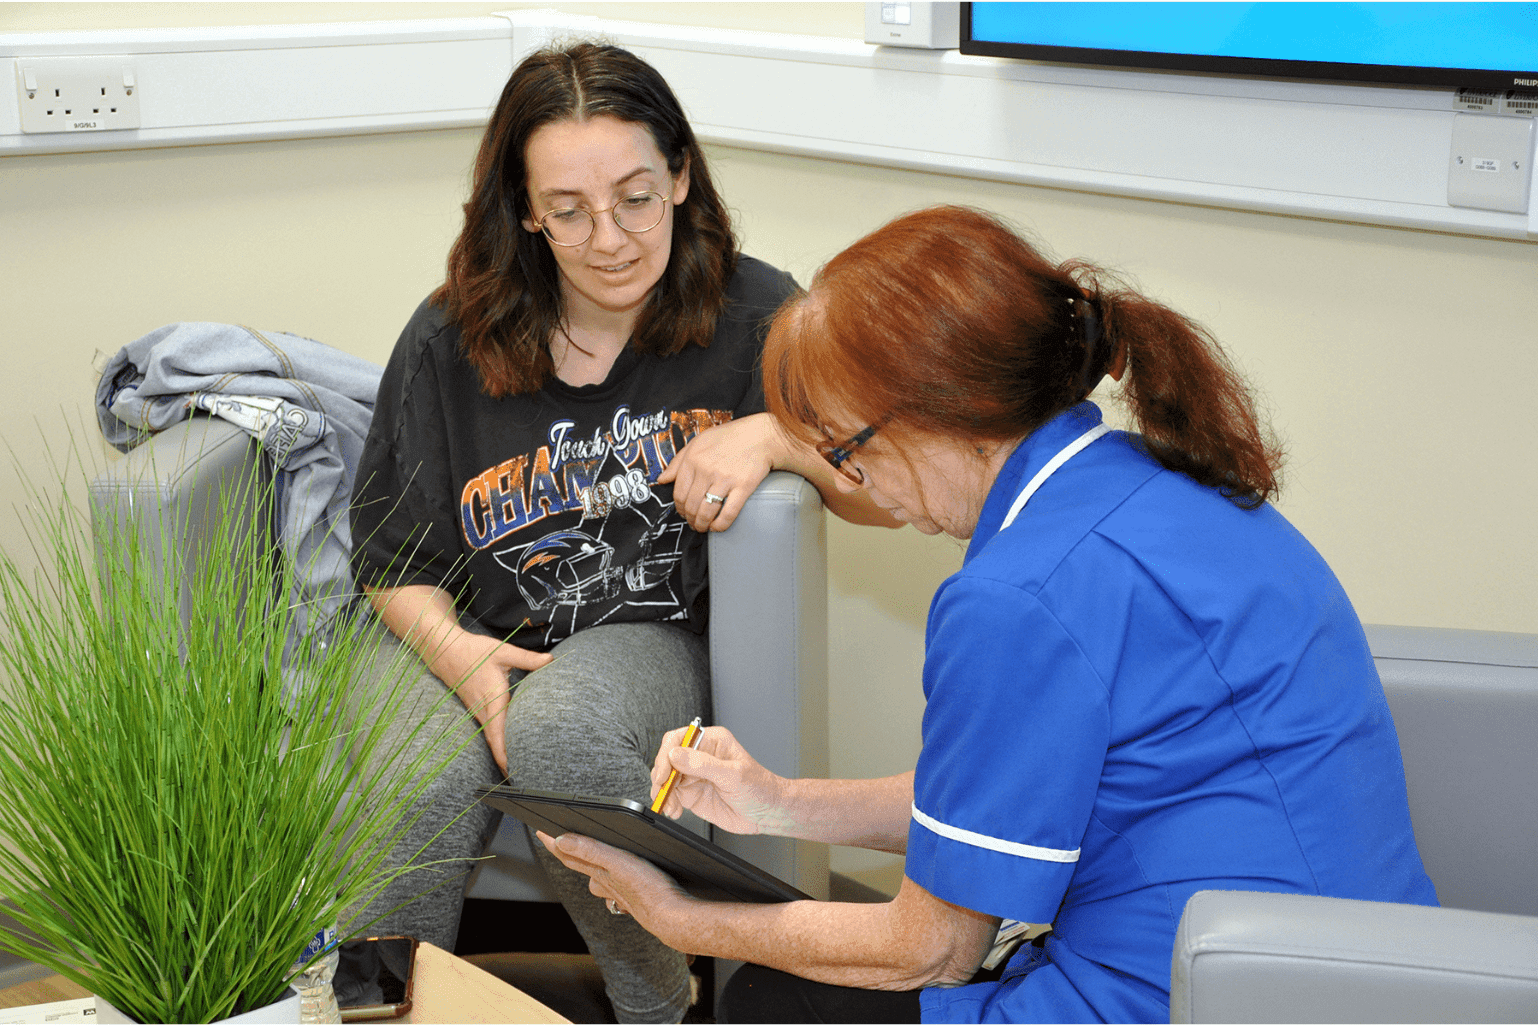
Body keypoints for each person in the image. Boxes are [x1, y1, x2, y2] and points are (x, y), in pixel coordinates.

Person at [539, 205, 1439, 1023]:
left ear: (943, 414)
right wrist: (775, 803)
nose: (857, 486)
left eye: (849, 452)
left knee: (771, 1004)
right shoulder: (1147, 479)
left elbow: (929, 948)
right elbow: (998, 801)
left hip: (1194, 998)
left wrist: (685, 920)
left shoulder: (1018, 597)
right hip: (1359, 973)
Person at [348, 42, 889, 1024]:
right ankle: (388, 1007)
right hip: (457, 632)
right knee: (409, 773)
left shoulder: (757, 311)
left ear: (681, 176)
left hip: (640, 638)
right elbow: (390, 559)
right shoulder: (446, 337)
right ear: (520, 208)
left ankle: (658, 999)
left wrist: (774, 433)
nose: (608, 237)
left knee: (561, 731)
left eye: (636, 196)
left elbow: (876, 487)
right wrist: (460, 656)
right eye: (567, 210)